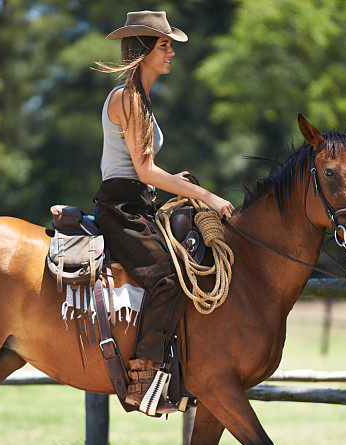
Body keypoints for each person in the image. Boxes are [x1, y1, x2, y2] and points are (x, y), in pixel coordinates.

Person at [92, 11, 234, 416]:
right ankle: (144, 374)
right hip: (122, 207)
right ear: (143, 52)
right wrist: (207, 196)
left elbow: (149, 173)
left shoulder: (141, 98)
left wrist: (176, 182)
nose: (171, 52)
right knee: (169, 279)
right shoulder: (127, 98)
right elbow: (144, 170)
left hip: (139, 202)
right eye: (164, 45)